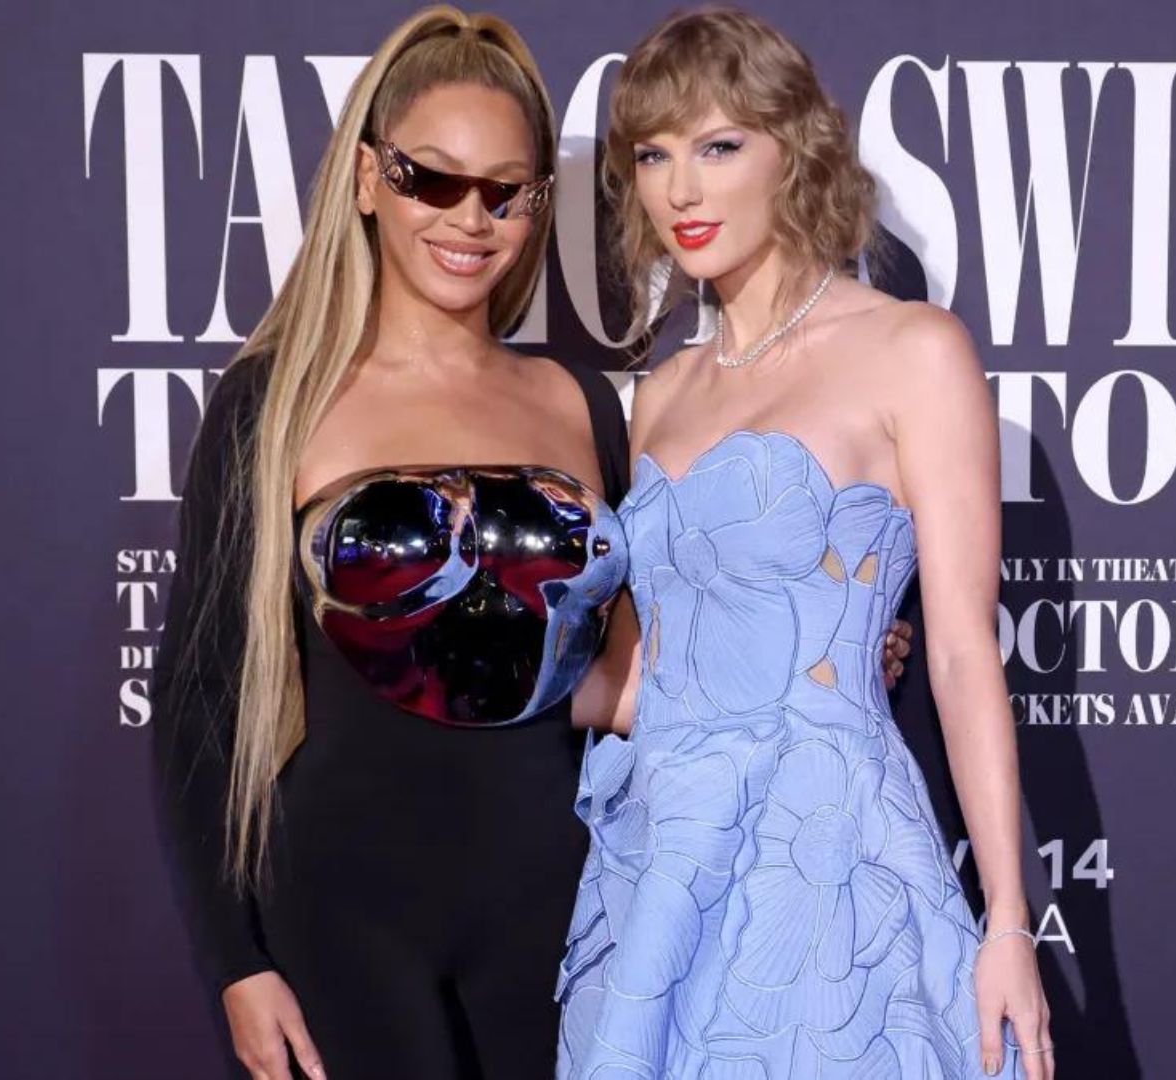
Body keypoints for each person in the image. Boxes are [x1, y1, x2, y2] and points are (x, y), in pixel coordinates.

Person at [153, 9, 912, 1078]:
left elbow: (649, 664)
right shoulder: (274, 401)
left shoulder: (576, 402)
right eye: (433, 179)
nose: (471, 219)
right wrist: (236, 960)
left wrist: (818, 654)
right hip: (342, 916)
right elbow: (197, 699)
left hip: (561, 905)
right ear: (369, 177)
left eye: (505, 191)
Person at [554, 9, 1051, 1078]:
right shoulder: (662, 394)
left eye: (718, 145)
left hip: (822, 863)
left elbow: (963, 651)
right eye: (654, 155)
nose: (681, 190)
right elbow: (642, 676)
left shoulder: (911, 350)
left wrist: (1008, 918)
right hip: (662, 866)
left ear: (798, 150)